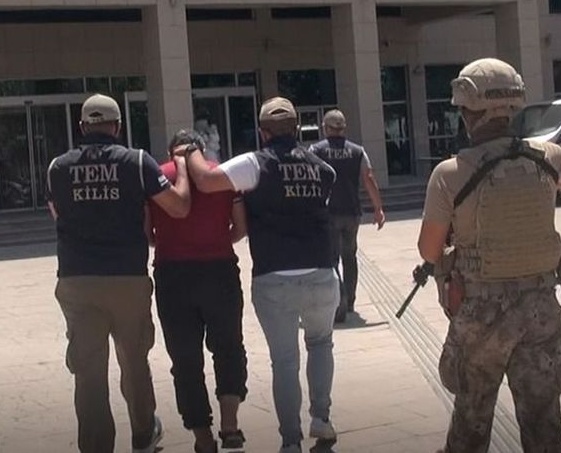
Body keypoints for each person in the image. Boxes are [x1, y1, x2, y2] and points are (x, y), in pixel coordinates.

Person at [417, 58, 561, 453]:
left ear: (468, 113)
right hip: (540, 309)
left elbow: (429, 250)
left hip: (480, 315)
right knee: (544, 426)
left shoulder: (449, 173)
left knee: (471, 424)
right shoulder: (549, 157)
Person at [182, 97, 339, 453]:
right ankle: (321, 418)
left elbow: (206, 180)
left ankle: (291, 440)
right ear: (296, 128)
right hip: (321, 271)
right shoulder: (323, 168)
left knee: (284, 361)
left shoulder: (256, 163)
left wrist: (191, 150)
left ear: (263, 132)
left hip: (274, 275)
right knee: (321, 344)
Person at [47, 93, 192, 453]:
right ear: (118, 126)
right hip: (127, 275)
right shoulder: (137, 161)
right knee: (134, 359)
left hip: (77, 277)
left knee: (88, 370)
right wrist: (183, 171)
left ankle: (96, 445)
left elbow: (58, 215)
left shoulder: (58, 167)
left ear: (82, 127)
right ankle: (143, 433)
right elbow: (177, 207)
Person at [145, 130, 249, 453]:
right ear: (201, 150)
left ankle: (203, 439)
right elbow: (241, 228)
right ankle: (230, 425)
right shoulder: (223, 175)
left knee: (185, 359)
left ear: (170, 152)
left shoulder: (158, 176)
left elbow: (147, 233)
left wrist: (171, 240)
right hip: (219, 270)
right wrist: (215, 239)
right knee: (229, 347)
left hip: (173, 276)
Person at [310, 109, 385, 322]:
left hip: (328, 212)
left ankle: (339, 299)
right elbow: (368, 177)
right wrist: (378, 208)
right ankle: (350, 300)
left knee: (331, 258)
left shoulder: (316, 150)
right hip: (352, 212)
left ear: (325, 128)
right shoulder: (357, 151)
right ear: (344, 129)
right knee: (350, 256)